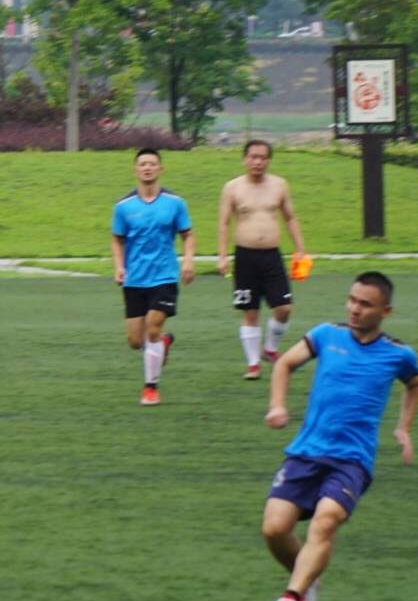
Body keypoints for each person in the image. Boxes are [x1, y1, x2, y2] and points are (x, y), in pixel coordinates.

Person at [261, 271, 418, 601]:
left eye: (365, 304)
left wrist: (403, 428)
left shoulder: (398, 354)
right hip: (305, 452)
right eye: (352, 300)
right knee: (274, 529)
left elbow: (414, 385)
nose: (354, 309)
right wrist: (277, 405)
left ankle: (293, 595)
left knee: (325, 522)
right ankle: (308, 578)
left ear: (386, 311)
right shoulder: (325, 335)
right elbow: (285, 363)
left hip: (351, 462)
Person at [217, 139, 311, 379]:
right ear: (244, 159)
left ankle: (270, 349)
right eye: (253, 157)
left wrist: (300, 248)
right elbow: (224, 222)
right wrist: (223, 256)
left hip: (272, 255)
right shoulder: (232, 187)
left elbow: (290, 217)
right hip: (245, 256)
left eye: (262, 157)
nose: (257, 161)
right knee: (250, 311)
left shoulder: (279, 185)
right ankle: (253, 364)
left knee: (284, 308)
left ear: (268, 160)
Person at [110, 148, 196, 406]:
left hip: (165, 276)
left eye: (152, 164)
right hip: (135, 279)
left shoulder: (175, 203)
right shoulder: (123, 207)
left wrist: (188, 260)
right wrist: (119, 266)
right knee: (135, 341)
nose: (147, 168)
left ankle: (150, 387)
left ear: (161, 169)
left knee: (153, 328)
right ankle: (163, 343)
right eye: (142, 164)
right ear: (135, 170)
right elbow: (117, 238)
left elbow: (187, 234)